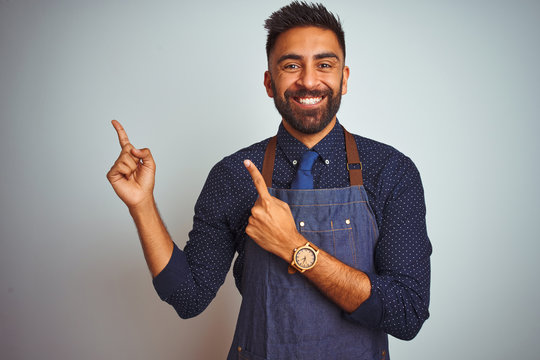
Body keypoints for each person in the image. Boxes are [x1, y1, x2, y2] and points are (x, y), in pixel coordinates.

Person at [107, 2, 431, 359]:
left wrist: (293, 247)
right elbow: (188, 297)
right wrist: (142, 205)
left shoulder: (390, 171)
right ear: (268, 81)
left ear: (345, 78)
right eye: (291, 65)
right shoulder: (234, 175)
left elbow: (406, 314)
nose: (309, 80)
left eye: (325, 65)